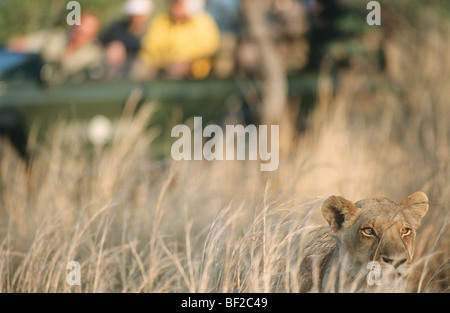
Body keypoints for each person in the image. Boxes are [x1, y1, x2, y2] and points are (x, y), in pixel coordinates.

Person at [8, 13, 103, 84]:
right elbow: (25, 43)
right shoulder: (55, 37)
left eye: (83, 34)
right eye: (77, 30)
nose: (77, 35)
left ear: (91, 37)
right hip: (37, 85)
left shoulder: (93, 55)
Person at [138, 0, 220, 79]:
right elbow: (149, 50)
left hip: (198, 70)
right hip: (164, 69)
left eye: (179, 3)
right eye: (173, 3)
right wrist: (168, 62)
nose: (175, 7)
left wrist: (187, 61)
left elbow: (210, 47)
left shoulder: (202, 21)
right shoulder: (161, 21)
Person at [99, 0, 154, 79]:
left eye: (138, 16)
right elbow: (101, 42)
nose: (135, 19)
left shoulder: (153, 31)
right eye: (133, 15)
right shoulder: (116, 28)